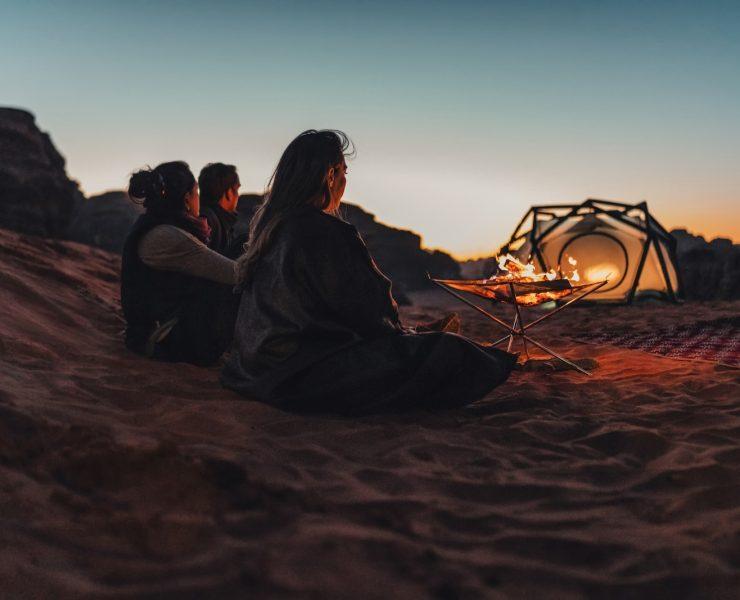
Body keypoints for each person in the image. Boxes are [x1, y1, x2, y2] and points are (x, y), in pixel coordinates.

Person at [221, 130, 517, 414]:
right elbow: (367, 313)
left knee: (421, 343)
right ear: (330, 176)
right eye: (344, 172)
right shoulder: (326, 232)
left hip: (255, 368)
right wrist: (399, 334)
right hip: (302, 375)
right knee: (449, 350)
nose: (344, 181)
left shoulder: (270, 229)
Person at [120, 161, 239, 365]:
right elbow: (235, 274)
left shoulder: (157, 226)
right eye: (197, 193)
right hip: (164, 341)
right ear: (187, 199)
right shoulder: (169, 237)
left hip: (159, 333)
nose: (199, 200)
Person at [198, 162, 245, 259]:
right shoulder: (207, 222)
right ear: (228, 192)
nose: (237, 196)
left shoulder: (210, 218)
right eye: (236, 189)